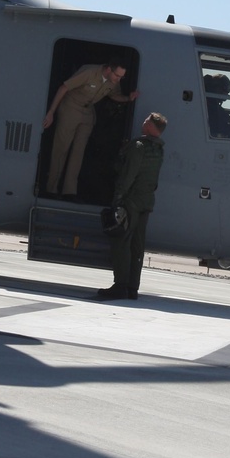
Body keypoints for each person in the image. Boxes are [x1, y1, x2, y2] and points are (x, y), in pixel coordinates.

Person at [96, 112, 167, 301]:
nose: (143, 123)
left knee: (121, 242)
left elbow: (129, 174)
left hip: (132, 201)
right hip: (146, 201)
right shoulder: (159, 150)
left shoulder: (138, 147)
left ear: (151, 127)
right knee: (137, 246)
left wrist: (118, 197)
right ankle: (132, 288)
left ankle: (120, 285)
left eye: (146, 121)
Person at [43, 60, 139, 197]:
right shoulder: (89, 72)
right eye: (117, 76)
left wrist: (128, 98)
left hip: (87, 113)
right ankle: (51, 190)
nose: (118, 79)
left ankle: (69, 192)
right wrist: (51, 112)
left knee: (78, 152)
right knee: (61, 149)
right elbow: (64, 88)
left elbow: (114, 95)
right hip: (71, 108)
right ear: (108, 70)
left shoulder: (114, 82)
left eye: (121, 77)